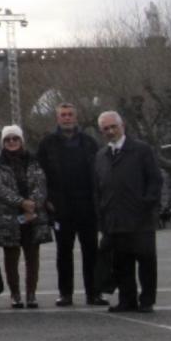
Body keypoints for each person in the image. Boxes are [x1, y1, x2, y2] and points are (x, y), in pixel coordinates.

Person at [93, 111, 163, 314]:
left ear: (122, 125)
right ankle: (127, 300)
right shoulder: (101, 156)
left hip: (140, 218)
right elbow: (97, 188)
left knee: (146, 261)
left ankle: (147, 300)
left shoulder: (141, 150)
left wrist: (147, 204)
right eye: (105, 129)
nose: (110, 131)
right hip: (114, 219)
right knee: (122, 263)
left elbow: (155, 180)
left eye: (113, 126)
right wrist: (102, 215)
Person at [36, 103, 105, 306]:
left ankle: (94, 292)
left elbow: (99, 173)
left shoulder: (90, 142)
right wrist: (46, 199)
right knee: (63, 252)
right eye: (63, 115)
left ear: (76, 117)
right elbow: (40, 174)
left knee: (91, 250)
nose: (67, 118)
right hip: (61, 205)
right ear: (57, 119)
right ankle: (65, 293)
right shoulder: (47, 143)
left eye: (70, 114)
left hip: (86, 204)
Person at [0, 125, 53, 309]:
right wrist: (21, 203)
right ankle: (15, 294)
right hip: (10, 218)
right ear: (3, 143)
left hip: (33, 217)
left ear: (21, 141)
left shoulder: (35, 162)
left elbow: (41, 185)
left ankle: (31, 294)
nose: (11, 142)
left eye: (15, 139)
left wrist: (32, 204)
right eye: (7, 140)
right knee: (11, 258)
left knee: (33, 258)